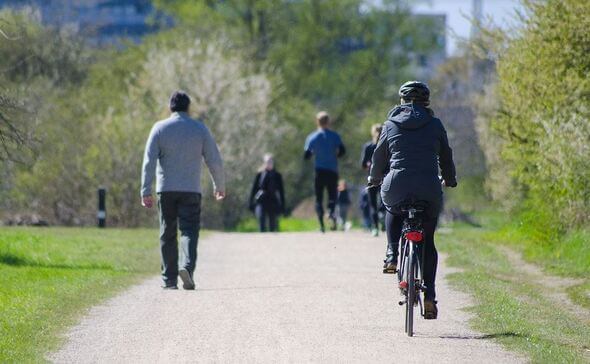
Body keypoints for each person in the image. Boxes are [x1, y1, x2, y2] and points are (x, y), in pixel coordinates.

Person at [369, 81, 457, 319]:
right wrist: (450, 179)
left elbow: (379, 158)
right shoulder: (435, 124)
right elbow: (446, 157)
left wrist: (374, 179)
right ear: (426, 102)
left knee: (392, 207)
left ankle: (392, 254)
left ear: (402, 101)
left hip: (397, 185)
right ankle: (430, 296)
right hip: (428, 187)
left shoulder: (389, 124)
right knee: (428, 241)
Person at [141, 90, 225, 290]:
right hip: (190, 190)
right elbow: (214, 160)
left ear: (170, 107)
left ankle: (169, 280)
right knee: (189, 230)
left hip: (166, 189)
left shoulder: (159, 128)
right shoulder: (199, 129)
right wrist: (219, 185)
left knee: (167, 232)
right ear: (188, 107)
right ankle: (186, 267)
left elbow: (149, 161)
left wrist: (145, 190)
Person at [304, 111, 346, 232]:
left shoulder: (312, 137)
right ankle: (331, 212)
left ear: (317, 122)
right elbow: (342, 151)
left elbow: (306, 155)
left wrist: (315, 153)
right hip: (332, 170)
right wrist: (334, 155)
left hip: (319, 171)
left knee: (319, 197)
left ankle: (322, 225)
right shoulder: (335, 136)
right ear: (328, 122)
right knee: (332, 195)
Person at [248, 154, 285, 232]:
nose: (269, 163)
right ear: (264, 163)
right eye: (267, 162)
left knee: (272, 225)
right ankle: (262, 240)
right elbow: (254, 189)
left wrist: (283, 205)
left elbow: (281, 191)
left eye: (271, 161)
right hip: (261, 201)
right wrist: (250, 202)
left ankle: (271, 241)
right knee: (261, 220)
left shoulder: (277, 175)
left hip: (273, 201)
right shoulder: (259, 174)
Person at [361, 124, 386, 237]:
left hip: (371, 178)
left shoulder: (368, 146)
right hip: (385, 177)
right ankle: (382, 215)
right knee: (384, 200)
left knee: (372, 204)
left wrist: (369, 165)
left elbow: (363, 164)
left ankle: (375, 228)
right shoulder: (386, 145)